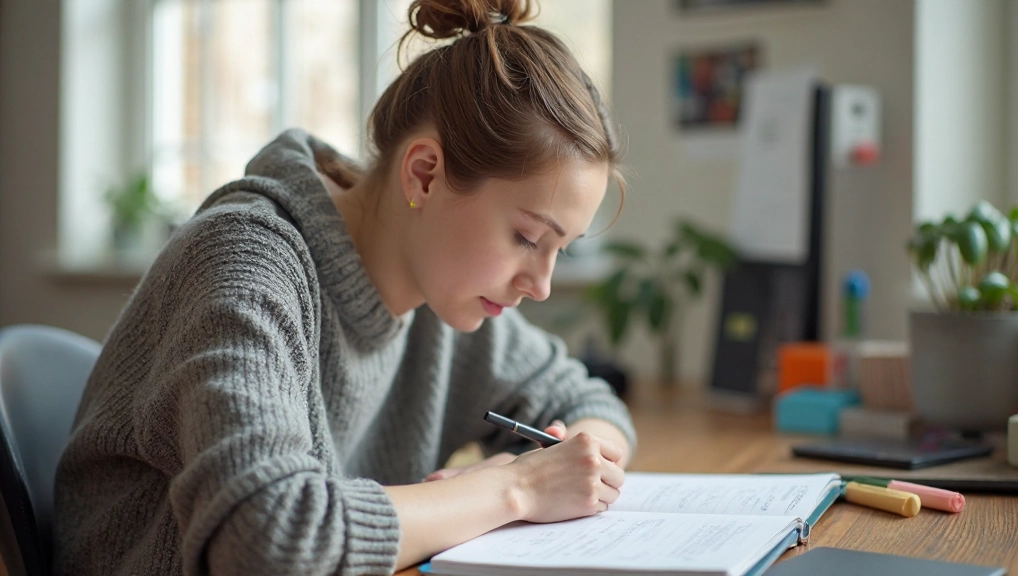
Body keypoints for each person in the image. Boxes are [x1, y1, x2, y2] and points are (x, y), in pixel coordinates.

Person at [53, 0, 635, 574]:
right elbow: (268, 542)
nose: (542, 286)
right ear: (424, 174)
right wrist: (516, 488)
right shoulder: (244, 263)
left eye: (564, 249)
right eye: (529, 238)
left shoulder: (445, 292)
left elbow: (589, 405)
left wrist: (565, 463)